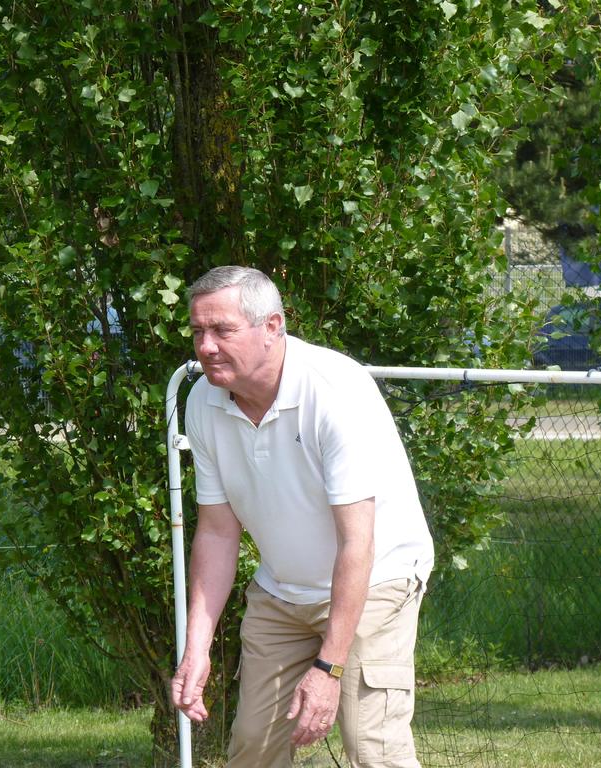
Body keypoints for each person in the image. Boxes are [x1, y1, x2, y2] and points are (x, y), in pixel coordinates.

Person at [171, 266, 434, 767]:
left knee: (373, 749)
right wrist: (196, 650)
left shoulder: (335, 390)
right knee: (253, 747)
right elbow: (219, 533)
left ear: (272, 327)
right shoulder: (203, 401)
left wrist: (328, 670)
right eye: (198, 331)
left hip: (377, 579)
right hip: (281, 591)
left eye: (222, 330)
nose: (206, 346)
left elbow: (357, 541)